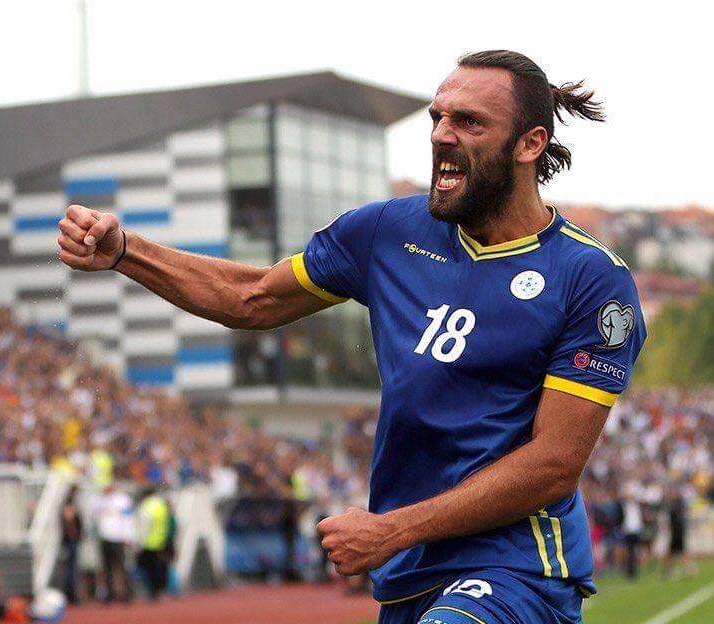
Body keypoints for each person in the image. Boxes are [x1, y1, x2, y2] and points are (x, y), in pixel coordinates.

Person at [58, 49, 647, 623]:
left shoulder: (591, 279)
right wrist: (125, 251)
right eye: (437, 117)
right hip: (410, 571)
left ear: (529, 144)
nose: (442, 135)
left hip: (519, 567)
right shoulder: (386, 231)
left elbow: (553, 465)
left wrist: (392, 529)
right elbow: (252, 296)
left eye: (469, 122)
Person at [135, 487, 170, 600]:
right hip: (162, 540)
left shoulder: (146, 506)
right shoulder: (161, 505)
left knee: (149, 569)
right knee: (161, 567)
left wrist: (140, 542)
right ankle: (162, 590)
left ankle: (153, 591)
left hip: (149, 543)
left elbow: (144, 526)